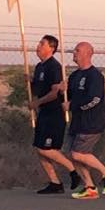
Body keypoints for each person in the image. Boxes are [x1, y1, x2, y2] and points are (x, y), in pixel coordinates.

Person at [62, 42, 105, 199]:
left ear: (88, 53)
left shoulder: (95, 76)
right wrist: (62, 92)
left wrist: (73, 106)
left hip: (92, 122)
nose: (74, 53)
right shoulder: (74, 76)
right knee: (73, 155)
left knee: (78, 154)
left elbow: (94, 99)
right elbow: (68, 99)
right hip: (77, 122)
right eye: (74, 50)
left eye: (77, 50)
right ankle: (89, 187)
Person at [29, 35, 80, 194]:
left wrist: (37, 103)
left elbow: (54, 93)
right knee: (39, 148)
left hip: (54, 113)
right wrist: (30, 82)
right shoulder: (39, 67)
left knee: (46, 149)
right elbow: (38, 89)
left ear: (51, 48)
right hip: (43, 113)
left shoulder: (54, 67)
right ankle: (54, 183)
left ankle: (73, 171)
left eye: (42, 43)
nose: (38, 46)